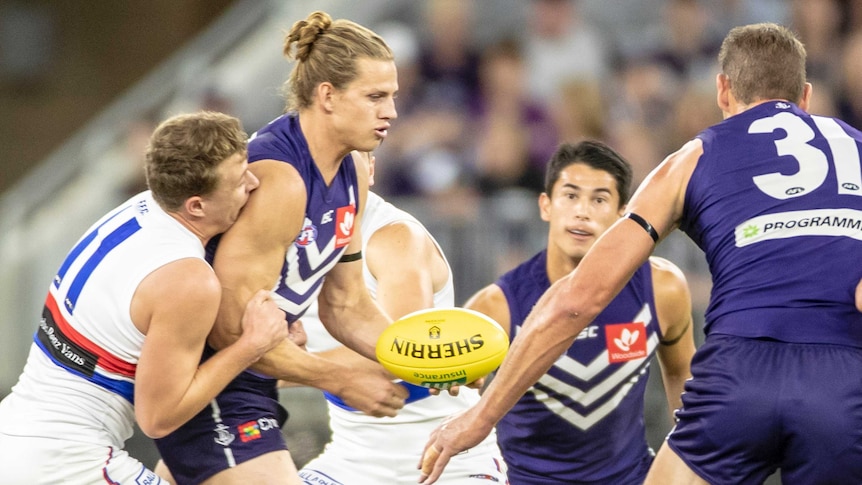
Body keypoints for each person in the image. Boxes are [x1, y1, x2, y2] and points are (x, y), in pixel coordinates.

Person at [420, 22, 862, 485]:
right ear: (806, 96)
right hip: (843, 377)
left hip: (740, 371)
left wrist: (480, 419)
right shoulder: (857, 148)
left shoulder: (690, 159)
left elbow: (577, 298)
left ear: (723, 90)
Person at [154, 11, 411, 485]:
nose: (391, 111)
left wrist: (422, 360)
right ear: (327, 96)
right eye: (375, 97)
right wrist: (336, 378)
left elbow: (347, 304)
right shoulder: (281, 180)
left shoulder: (353, 169)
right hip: (212, 380)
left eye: (392, 96)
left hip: (251, 379)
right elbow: (230, 331)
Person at [0, 111, 289, 484]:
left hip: (17, 431)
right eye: (237, 181)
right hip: (69, 459)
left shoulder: (135, 212)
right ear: (196, 206)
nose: (252, 183)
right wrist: (253, 344)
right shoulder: (188, 278)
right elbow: (158, 418)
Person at [463, 140, 694, 484]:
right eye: (570, 196)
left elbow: (683, 379)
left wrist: (685, 468)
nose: (582, 211)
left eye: (599, 199)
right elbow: (457, 406)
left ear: (623, 215)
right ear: (546, 205)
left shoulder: (662, 289)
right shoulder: (495, 306)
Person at [296, 153, 507, 484]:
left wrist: (278, 367)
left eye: (347, 165)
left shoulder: (396, 237)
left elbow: (400, 355)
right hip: (351, 456)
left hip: (445, 456)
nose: (335, 180)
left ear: (372, 169)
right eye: (324, 165)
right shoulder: (285, 238)